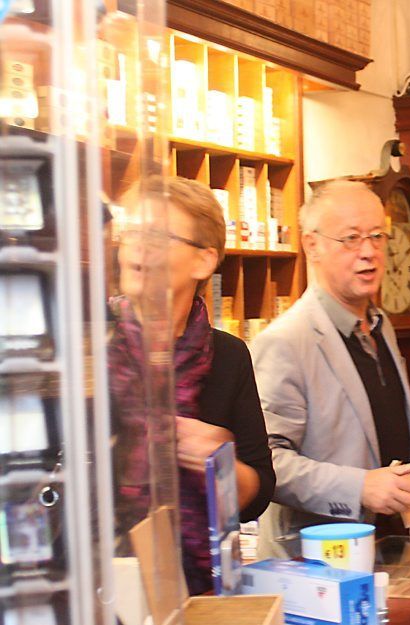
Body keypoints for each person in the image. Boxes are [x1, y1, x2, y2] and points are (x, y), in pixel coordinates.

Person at [251, 180, 410, 556]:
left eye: (377, 236)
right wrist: (359, 487)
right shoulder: (285, 342)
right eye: (350, 239)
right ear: (312, 245)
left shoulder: (379, 325)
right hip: (324, 565)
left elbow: (363, 418)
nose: (368, 252)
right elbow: (267, 463)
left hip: (398, 547)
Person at [110, 176, 275, 595]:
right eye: (131, 231)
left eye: (155, 235)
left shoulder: (229, 355)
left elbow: (258, 492)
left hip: (201, 591)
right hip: (100, 587)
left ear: (204, 262)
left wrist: (219, 465)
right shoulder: (91, 351)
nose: (135, 247)